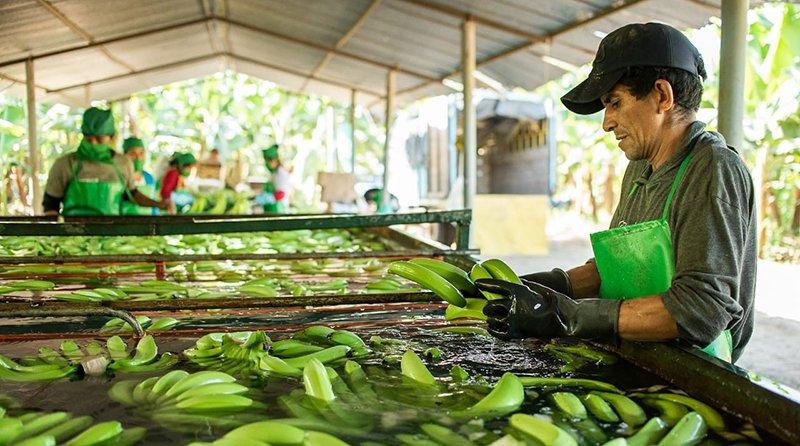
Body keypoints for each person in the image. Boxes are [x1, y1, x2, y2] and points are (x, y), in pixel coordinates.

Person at [477, 23, 756, 363]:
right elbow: (617, 269)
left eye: (615, 102)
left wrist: (571, 317)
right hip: (637, 357)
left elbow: (701, 309)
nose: (606, 122)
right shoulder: (640, 167)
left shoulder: (712, 169)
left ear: (662, 96)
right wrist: (550, 287)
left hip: (691, 371)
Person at [43, 107, 169, 216]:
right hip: (74, 236)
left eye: (99, 139)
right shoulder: (65, 164)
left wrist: (159, 204)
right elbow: (50, 204)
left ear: (111, 137)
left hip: (111, 233)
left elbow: (131, 195)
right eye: (88, 138)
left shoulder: (123, 163)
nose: (93, 143)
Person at [120, 137, 158, 215]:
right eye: (133, 154)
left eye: (141, 153)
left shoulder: (149, 178)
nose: (138, 157)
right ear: (124, 156)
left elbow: (153, 206)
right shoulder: (119, 177)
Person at [257, 144, 291, 213]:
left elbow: (281, 193)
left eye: (268, 161)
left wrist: (267, 198)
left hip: (278, 208)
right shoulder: (274, 173)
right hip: (271, 207)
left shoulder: (281, 173)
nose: (267, 164)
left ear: (275, 160)